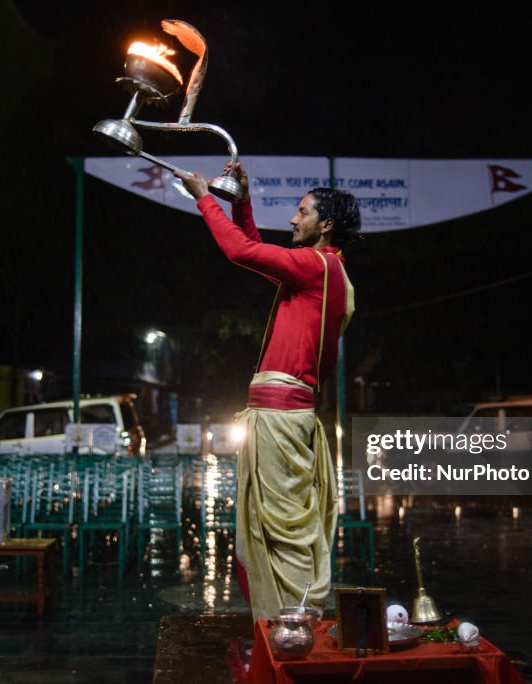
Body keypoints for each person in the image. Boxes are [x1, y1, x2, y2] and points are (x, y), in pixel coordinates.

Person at [175, 162, 359, 621]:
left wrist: (204, 197)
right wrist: (240, 202)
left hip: (280, 418)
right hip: (284, 416)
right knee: (280, 527)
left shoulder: (316, 267)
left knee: (284, 532)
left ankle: (297, 629)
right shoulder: (323, 270)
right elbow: (254, 248)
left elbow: (239, 252)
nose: (294, 220)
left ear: (326, 225)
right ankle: (285, 625)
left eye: (302, 212)